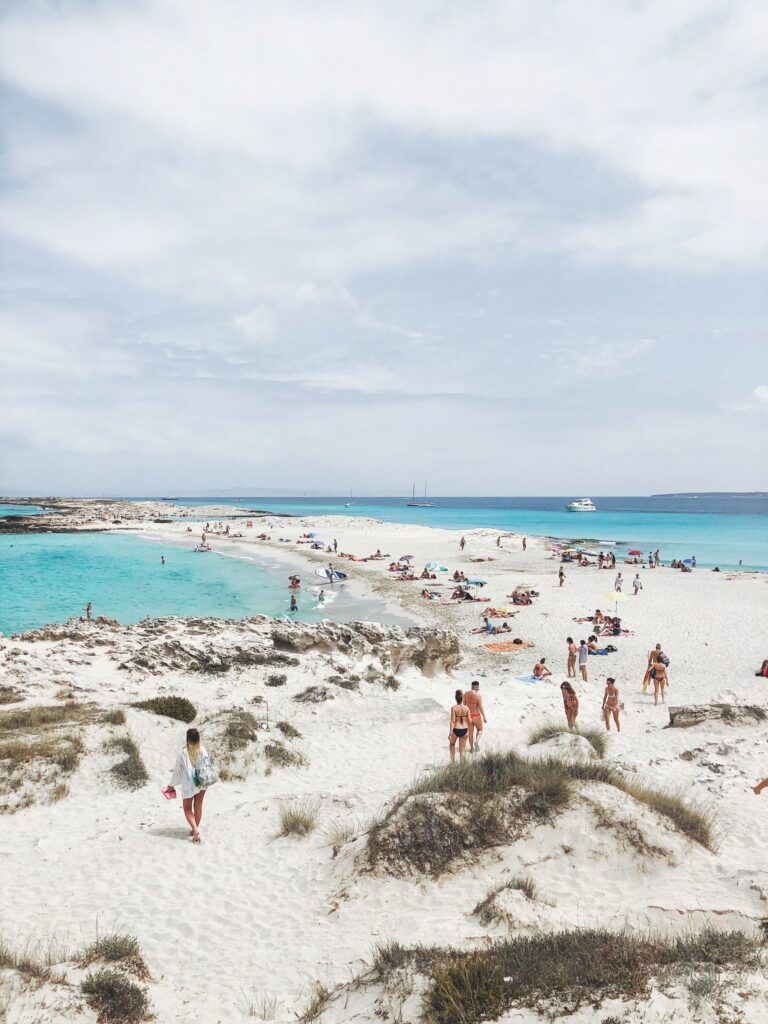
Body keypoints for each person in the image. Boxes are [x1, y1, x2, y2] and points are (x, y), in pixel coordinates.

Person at [166, 728, 209, 844]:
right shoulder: (203, 750)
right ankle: (195, 829)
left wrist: (171, 785)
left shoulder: (182, 752)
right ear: (198, 738)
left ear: (187, 739)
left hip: (189, 783)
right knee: (198, 806)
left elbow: (177, 771)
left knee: (187, 808)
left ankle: (195, 829)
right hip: (202, 781)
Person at [463, 680, 487, 752]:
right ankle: (476, 741)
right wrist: (484, 717)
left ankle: (471, 749)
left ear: (471, 686)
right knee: (480, 729)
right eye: (478, 687)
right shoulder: (478, 695)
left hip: (469, 716)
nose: (478, 688)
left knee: (470, 733)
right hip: (476, 715)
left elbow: (464, 705)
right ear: (476, 687)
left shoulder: (466, 694)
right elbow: (480, 707)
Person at [449, 690, 470, 763]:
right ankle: (462, 766)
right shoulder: (467, 708)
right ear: (462, 698)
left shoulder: (454, 708)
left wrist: (450, 732)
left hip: (456, 729)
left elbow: (453, 721)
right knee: (462, 749)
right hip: (464, 729)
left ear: (456, 699)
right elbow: (470, 720)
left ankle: (453, 764)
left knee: (452, 745)